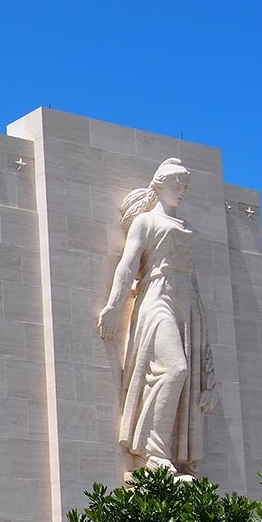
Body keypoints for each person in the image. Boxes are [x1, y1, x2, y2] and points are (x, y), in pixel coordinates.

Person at [96, 158, 215, 476]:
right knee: (175, 369)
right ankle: (151, 450)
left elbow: (194, 281)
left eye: (185, 185)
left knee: (186, 375)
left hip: (187, 304)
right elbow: (128, 264)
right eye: (176, 184)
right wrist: (113, 305)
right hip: (156, 298)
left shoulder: (190, 229)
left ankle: (176, 454)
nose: (182, 191)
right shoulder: (145, 222)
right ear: (159, 184)